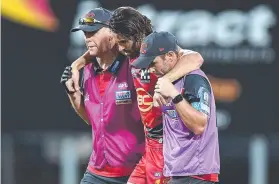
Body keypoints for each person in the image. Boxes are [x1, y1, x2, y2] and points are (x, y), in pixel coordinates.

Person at [70, 6, 204, 184]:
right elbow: (101, 46)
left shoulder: (154, 50)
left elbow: (195, 58)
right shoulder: (127, 52)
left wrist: (167, 81)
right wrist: (78, 63)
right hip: (149, 149)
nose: (119, 46)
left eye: (122, 41)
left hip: (168, 146)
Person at [60, 8, 145, 184]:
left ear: (113, 33)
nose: (87, 38)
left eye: (93, 32)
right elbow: (94, 120)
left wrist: (77, 63)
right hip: (97, 171)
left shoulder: (133, 65)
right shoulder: (88, 71)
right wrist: (73, 93)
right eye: (85, 33)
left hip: (134, 172)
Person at [133, 31, 220, 184]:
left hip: (197, 175)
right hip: (177, 173)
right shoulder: (168, 81)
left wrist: (175, 95)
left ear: (170, 56)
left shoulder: (193, 79)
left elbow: (200, 125)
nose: (150, 70)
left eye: (153, 63)